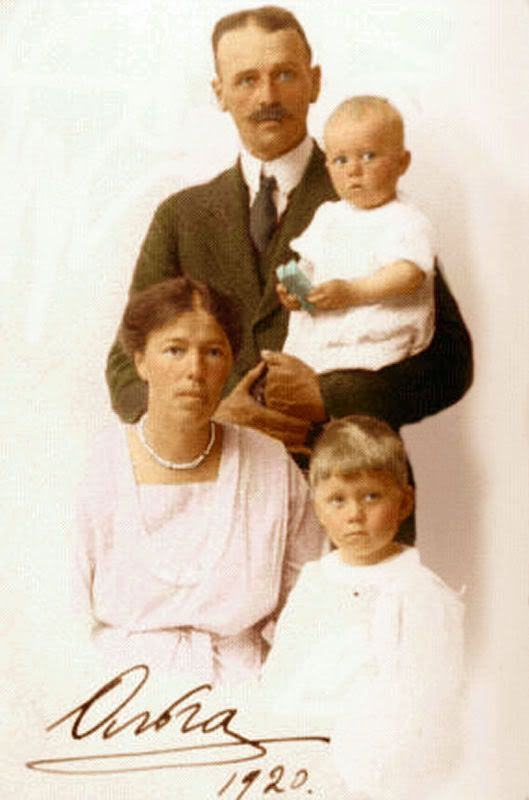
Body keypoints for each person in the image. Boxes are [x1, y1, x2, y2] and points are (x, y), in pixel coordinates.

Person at [105, 6, 473, 536]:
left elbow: (451, 362)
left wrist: (331, 396)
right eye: (246, 80)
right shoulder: (181, 217)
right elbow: (126, 364)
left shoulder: (379, 202)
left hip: (356, 510)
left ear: (314, 81)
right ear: (219, 92)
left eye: (284, 74)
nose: (267, 97)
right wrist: (211, 414)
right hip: (216, 503)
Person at [75, 277, 324, 683]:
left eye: (213, 352)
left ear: (230, 364)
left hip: (245, 692)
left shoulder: (270, 465)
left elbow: (311, 607)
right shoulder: (97, 468)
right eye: (175, 350)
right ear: (140, 361)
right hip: (117, 694)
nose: (194, 370)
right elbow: (58, 624)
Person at [260, 415, 465, 798]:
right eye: (337, 500)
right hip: (311, 750)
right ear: (318, 509)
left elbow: (432, 696)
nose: (354, 514)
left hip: (386, 757)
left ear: (405, 502)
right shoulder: (315, 581)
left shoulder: (418, 590)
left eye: (371, 497)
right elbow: (283, 672)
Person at [278, 95, 436, 375]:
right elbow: (309, 266)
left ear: (402, 163)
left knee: (348, 389)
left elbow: (409, 274)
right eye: (340, 160)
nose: (353, 171)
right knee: (291, 378)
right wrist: (298, 292)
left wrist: (353, 292)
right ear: (328, 167)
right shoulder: (328, 216)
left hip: (378, 343)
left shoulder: (404, 219)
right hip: (321, 341)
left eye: (368, 156)